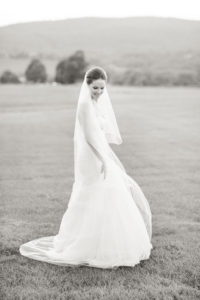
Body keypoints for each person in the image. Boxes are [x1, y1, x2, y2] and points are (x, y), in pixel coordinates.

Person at [19, 66, 153, 269]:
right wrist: (103, 159)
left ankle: (106, 242)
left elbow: (100, 133)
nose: (99, 92)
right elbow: (89, 137)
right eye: (95, 88)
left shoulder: (96, 103)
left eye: (102, 88)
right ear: (87, 84)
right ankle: (87, 244)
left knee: (108, 192)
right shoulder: (84, 104)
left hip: (99, 152)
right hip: (90, 156)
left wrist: (106, 154)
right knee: (94, 192)